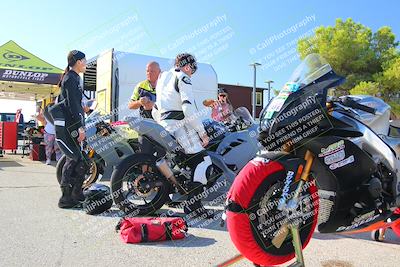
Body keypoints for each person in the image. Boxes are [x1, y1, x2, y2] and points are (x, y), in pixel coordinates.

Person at [153, 53, 212, 218]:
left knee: (188, 162)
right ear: (188, 66)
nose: (192, 73)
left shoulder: (163, 77)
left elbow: (155, 109)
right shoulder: (183, 77)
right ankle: (194, 206)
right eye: (193, 69)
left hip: (164, 126)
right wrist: (202, 132)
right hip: (179, 126)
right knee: (203, 161)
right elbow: (188, 109)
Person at [52, 50, 88, 209]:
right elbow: (71, 105)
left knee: (78, 161)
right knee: (74, 159)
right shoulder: (70, 78)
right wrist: (80, 127)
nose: (86, 64)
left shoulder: (73, 78)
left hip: (71, 125)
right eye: (85, 61)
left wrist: (84, 109)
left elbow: (73, 103)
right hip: (69, 127)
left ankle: (76, 195)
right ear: (79, 62)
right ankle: (66, 198)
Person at [128, 61, 164, 158]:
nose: (149, 73)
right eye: (147, 71)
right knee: (144, 156)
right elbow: (130, 105)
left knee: (163, 156)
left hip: (162, 127)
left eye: (152, 71)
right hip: (145, 127)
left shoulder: (165, 86)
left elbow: (171, 105)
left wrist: (153, 105)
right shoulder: (140, 86)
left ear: (159, 72)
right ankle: (145, 173)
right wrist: (139, 102)